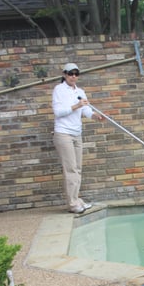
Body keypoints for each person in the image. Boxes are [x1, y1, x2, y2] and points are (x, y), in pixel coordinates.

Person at [52, 62, 103, 213]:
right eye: (70, 73)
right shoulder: (59, 90)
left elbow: (86, 110)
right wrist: (77, 106)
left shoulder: (80, 91)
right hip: (63, 133)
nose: (73, 76)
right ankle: (73, 204)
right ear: (64, 74)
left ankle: (77, 200)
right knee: (71, 169)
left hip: (76, 133)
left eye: (76, 73)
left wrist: (95, 116)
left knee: (78, 169)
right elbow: (58, 112)